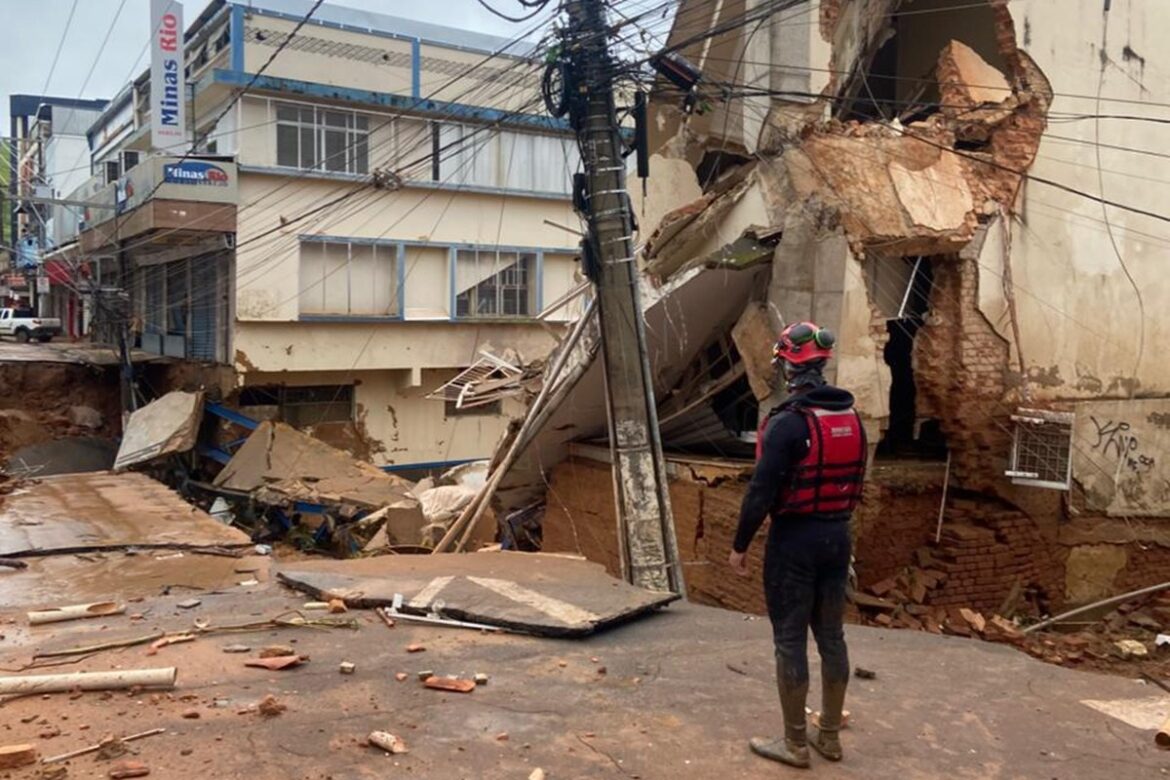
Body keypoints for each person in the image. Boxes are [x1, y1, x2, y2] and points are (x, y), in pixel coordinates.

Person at [728, 321, 867, 768]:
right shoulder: (851, 418)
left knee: (789, 641)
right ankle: (828, 737)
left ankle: (793, 744)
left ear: (788, 367)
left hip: (795, 541)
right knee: (832, 637)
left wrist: (740, 544)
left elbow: (760, 493)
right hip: (838, 535)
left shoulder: (788, 423)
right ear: (821, 365)